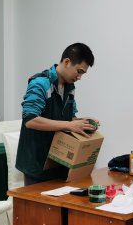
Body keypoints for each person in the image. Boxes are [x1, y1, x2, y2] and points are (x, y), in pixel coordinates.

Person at [16, 42, 98, 186]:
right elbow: (30, 120)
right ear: (67, 62)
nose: (80, 77)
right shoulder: (40, 83)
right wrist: (69, 125)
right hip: (37, 165)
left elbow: (70, 118)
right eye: (79, 71)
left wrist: (83, 123)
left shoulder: (70, 88)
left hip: (58, 162)